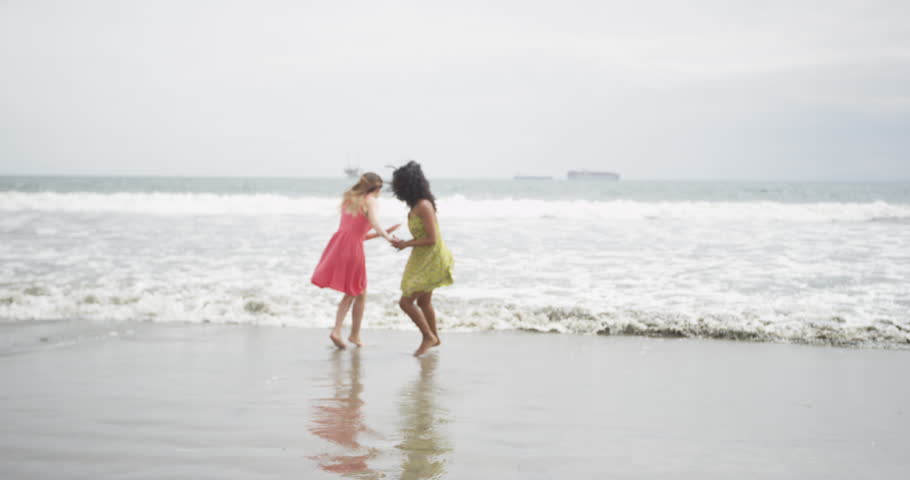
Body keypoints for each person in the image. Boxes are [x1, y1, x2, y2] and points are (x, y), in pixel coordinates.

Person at [311, 172, 399, 349]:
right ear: (375, 187)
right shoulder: (370, 201)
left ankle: (353, 334)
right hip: (353, 250)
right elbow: (374, 222)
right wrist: (388, 237)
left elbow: (357, 234)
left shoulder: (349, 200)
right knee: (354, 291)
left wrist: (383, 233)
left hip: (339, 246)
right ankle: (340, 332)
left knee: (358, 291)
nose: (381, 191)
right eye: (380, 187)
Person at [390, 161, 454, 356]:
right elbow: (423, 236)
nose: (395, 188)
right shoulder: (416, 205)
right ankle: (435, 338)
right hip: (423, 257)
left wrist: (405, 244)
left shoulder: (424, 205)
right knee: (423, 303)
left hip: (432, 258)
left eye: (398, 184)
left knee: (405, 302)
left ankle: (428, 336)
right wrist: (404, 243)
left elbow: (432, 238)